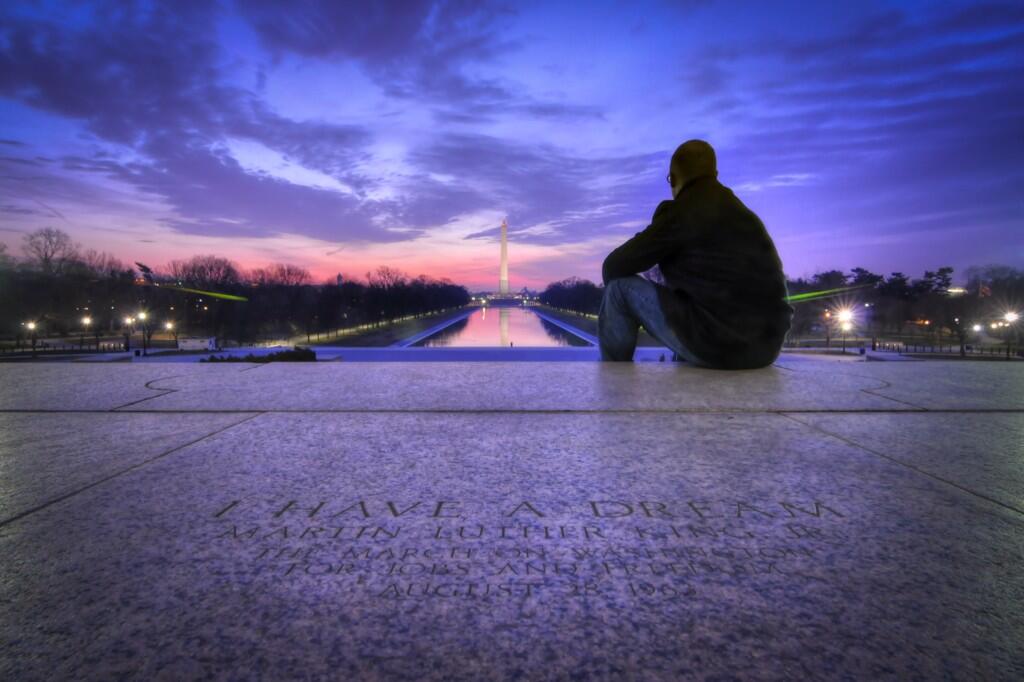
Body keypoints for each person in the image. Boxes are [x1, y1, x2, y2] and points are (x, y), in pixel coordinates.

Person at [598, 139, 793, 368]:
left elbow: (613, 266)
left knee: (619, 289)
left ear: (674, 178)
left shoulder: (683, 212)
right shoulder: (743, 214)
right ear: (715, 173)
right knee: (691, 303)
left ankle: (613, 379)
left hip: (722, 347)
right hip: (766, 349)